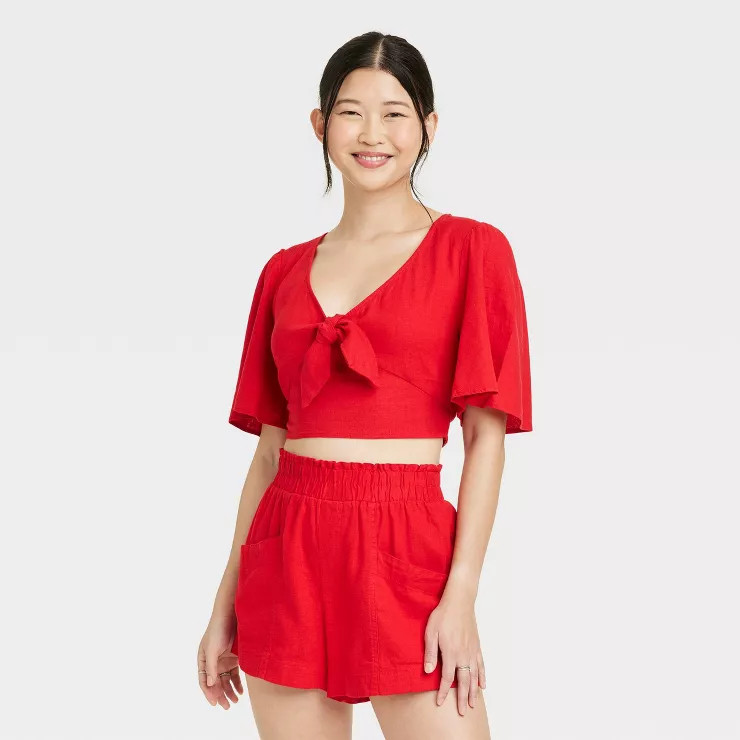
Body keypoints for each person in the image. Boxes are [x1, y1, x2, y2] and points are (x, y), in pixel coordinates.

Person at [197, 31, 533, 739]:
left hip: (408, 544)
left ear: (428, 127)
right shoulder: (283, 271)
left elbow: (486, 440)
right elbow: (268, 454)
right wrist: (224, 601)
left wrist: (461, 595)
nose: (372, 134)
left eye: (394, 113)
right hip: (287, 547)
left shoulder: (472, 250)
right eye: (351, 113)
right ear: (320, 125)